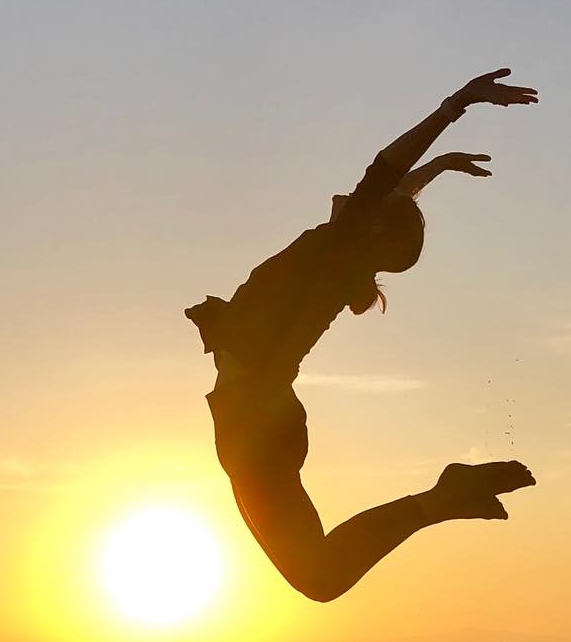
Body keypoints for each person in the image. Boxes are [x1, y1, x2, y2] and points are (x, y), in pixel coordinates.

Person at [186, 70, 538, 602]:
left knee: (320, 576)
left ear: (372, 226)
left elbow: (385, 172)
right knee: (319, 575)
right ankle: (443, 500)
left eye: (364, 204)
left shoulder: (336, 249)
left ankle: (442, 500)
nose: (347, 198)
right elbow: (392, 187)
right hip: (262, 415)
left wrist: (455, 105)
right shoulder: (341, 260)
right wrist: (437, 168)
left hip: (253, 418)